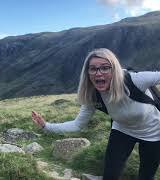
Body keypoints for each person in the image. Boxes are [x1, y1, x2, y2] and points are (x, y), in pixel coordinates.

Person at [31, 48, 160, 180]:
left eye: (105, 68)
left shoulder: (135, 80)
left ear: (114, 69)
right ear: (87, 73)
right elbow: (77, 125)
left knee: (146, 176)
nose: (98, 73)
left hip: (153, 132)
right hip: (123, 130)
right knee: (110, 175)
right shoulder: (92, 95)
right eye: (93, 69)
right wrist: (46, 126)